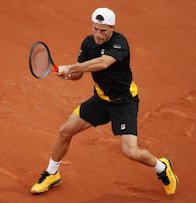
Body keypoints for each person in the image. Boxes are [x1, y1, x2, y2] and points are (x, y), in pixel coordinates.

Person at [30, 7, 178, 195]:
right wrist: (68, 74)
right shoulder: (88, 43)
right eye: (95, 29)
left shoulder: (120, 43)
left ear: (113, 29)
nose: (98, 35)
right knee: (65, 131)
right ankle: (52, 173)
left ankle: (162, 168)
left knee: (131, 152)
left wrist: (71, 66)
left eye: (103, 30)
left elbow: (103, 63)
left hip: (124, 102)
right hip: (100, 100)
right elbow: (79, 74)